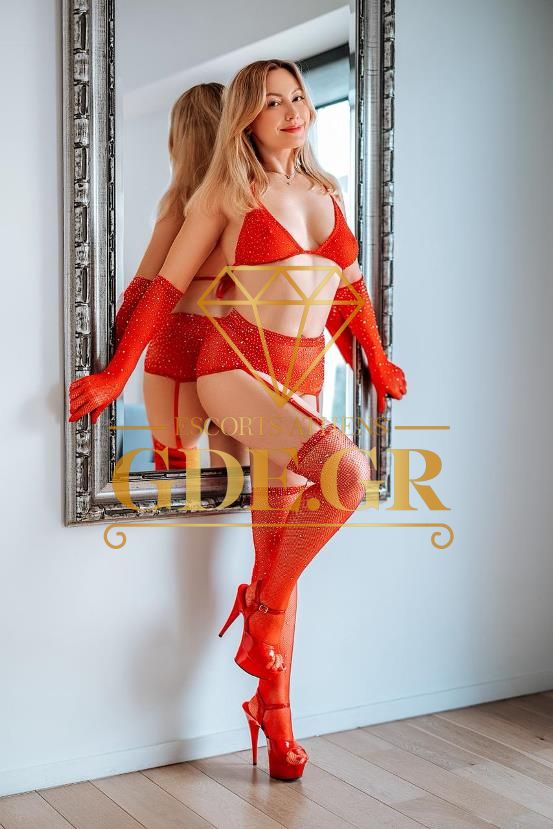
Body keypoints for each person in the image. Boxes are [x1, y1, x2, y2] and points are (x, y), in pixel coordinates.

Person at [68, 59, 407, 781]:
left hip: (306, 384)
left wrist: (376, 364)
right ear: (244, 117)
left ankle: (274, 717)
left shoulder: (325, 191)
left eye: (299, 97)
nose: (292, 110)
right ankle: (260, 611)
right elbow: (163, 290)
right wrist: (116, 375)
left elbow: (348, 294)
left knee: (278, 547)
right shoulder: (225, 193)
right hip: (236, 374)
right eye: (272, 101)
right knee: (348, 476)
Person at [115, 82, 247, 470]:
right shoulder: (247, 203)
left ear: (178, 140)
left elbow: (142, 287)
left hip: (178, 347)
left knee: (174, 480)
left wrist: (110, 361)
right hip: (232, 348)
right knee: (231, 483)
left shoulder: (180, 204)